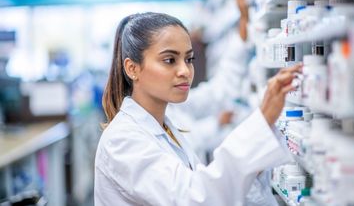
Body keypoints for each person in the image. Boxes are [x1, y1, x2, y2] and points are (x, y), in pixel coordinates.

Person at [95, 12, 301, 205]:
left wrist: (250, 170)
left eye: (189, 59)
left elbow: (200, 187)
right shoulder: (123, 140)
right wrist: (260, 125)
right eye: (169, 60)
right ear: (132, 68)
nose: (185, 71)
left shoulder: (167, 127)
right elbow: (194, 198)